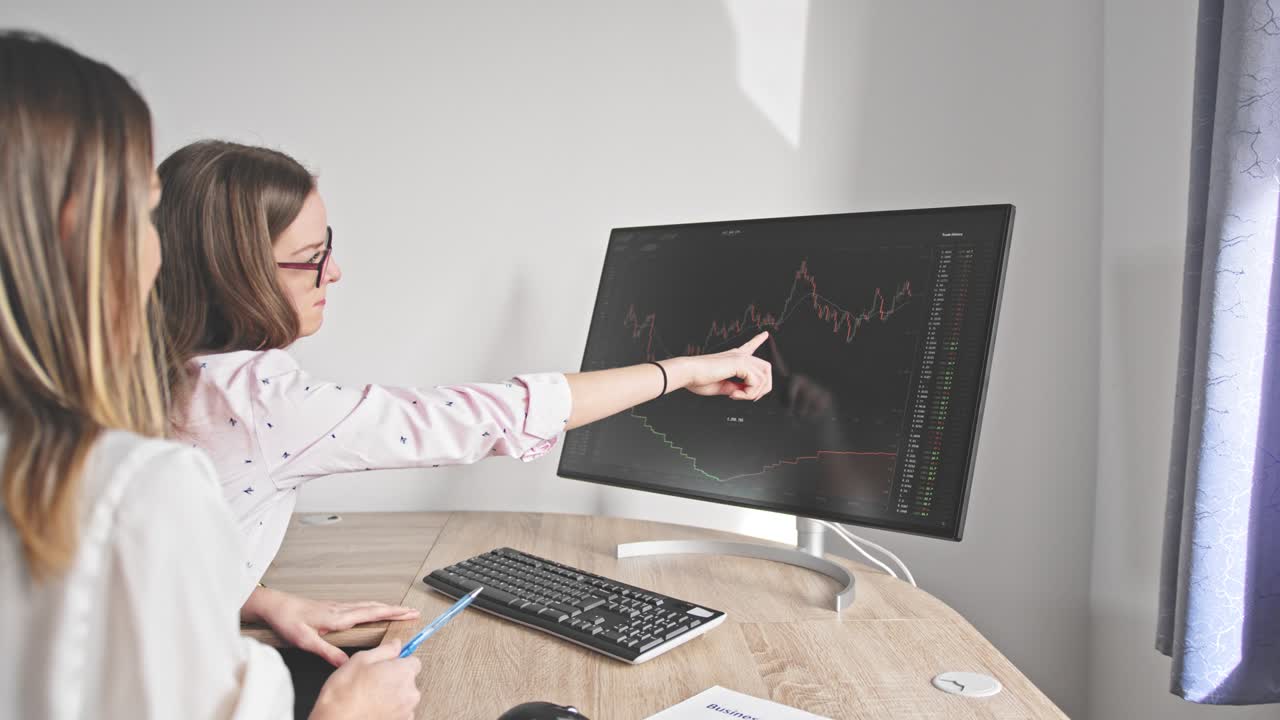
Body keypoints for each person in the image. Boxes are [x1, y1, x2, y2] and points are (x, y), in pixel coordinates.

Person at [152, 140, 774, 666]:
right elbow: (482, 416)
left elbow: (163, 549)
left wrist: (252, 595)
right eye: (313, 259)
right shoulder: (254, 399)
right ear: (236, 273)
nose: (335, 272)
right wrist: (684, 369)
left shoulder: (151, 369)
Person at [0, 31, 420, 719]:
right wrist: (352, 712)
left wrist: (237, 592)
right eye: (141, 211)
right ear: (83, 233)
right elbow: (451, 417)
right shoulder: (137, 490)